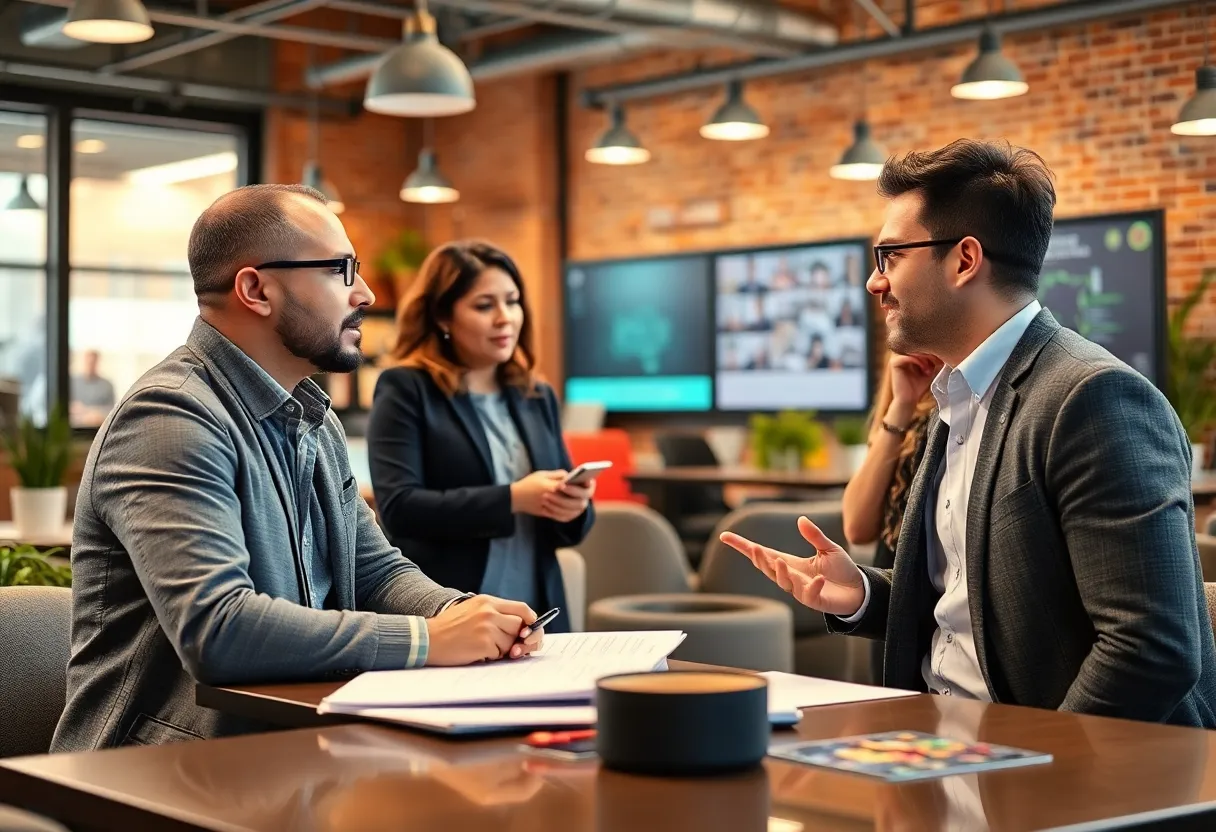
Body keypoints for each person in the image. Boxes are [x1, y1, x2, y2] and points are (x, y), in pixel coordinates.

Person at [722, 139, 1216, 727]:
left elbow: (1152, 650)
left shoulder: (1094, 399)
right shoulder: (956, 395)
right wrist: (864, 593)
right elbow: (972, 597)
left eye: (891, 256)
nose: (874, 284)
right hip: (938, 742)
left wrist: (1042, 778)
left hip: (1046, 773)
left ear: (964, 260)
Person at [51, 186, 548, 753]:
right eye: (341, 270)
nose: (362, 293)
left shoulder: (311, 417)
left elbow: (374, 571)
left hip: (286, 749)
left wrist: (459, 612)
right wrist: (428, 638)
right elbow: (219, 629)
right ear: (256, 289)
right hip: (158, 771)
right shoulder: (170, 417)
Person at [366, 240, 595, 634]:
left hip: (538, 608)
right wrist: (514, 498)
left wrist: (573, 506)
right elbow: (400, 507)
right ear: (443, 316)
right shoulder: (406, 388)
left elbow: (569, 522)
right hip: (451, 607)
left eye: (512, 301)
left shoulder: (535, 395)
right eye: (484, 305)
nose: (505, 318)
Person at [841, 352, 938, 684]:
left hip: (937, 618)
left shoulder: (962, 411)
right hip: (892, 604)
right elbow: (857, 525)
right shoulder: (907, 414)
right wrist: (901, 405)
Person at [70, 349, 117, 427]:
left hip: (98, 427)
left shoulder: (107, 385)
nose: (90, 365)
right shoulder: (72, 382)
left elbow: (112, 409)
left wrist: (94, 412)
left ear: (97, 362)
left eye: (93, 362)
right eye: (88, 362)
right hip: (76, 427)